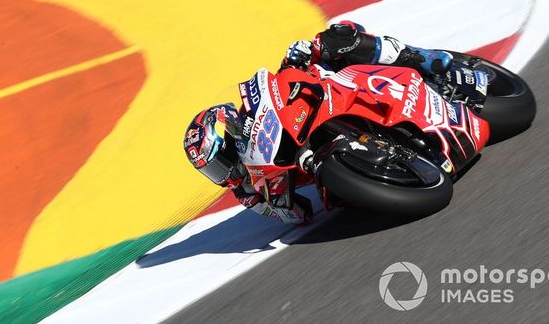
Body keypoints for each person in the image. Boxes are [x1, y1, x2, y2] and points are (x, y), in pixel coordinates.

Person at [182, 21, 452, 225]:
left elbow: (275, 90)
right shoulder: (246, 193)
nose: (223, 174)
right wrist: (276, 197)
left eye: (219, 162)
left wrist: (292, 61)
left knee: (334, 38)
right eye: (212, 172)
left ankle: (423, 60)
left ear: (227, 133)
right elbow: (298, 216)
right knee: (340, 205)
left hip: (321, 99)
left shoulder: (248, 113)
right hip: (327, 164)